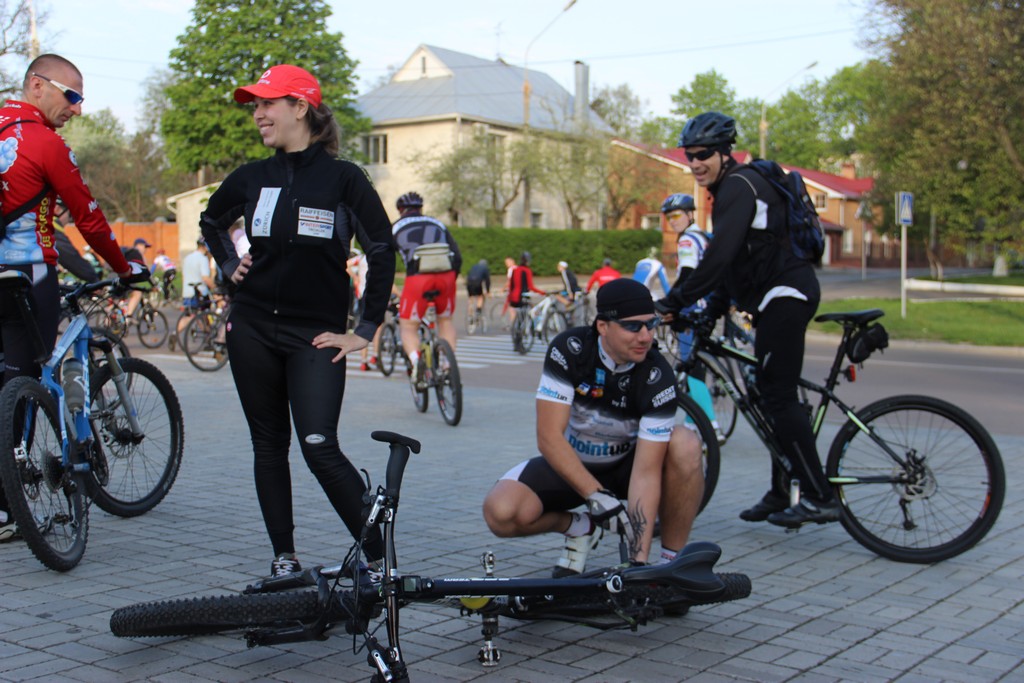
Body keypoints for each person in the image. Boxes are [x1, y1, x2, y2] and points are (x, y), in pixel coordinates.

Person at [198, 64, 397, 578]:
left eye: (268, 103)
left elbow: (382, 247)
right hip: (251, 328)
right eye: (255, 106)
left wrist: (365, 329)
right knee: (268, 446)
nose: (258, 114)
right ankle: (284, 559)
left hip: (316, 334)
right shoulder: (251, 177)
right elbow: (211, 221)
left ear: (301, 107)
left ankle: (380, 563)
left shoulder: (344, 179)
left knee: (319, 446)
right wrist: (228, 264)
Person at [656, 111, 835, 528]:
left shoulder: (739, 186)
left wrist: (673, 302)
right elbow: (736, 264)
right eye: (689, 156)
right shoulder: (731, 190)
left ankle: (819, 495)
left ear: (724, 152)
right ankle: (781, 489)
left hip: (787, 296)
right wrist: (709, 314)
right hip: (772, 299)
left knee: (778, 394)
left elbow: (718, 259)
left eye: (703, 154)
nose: (695, 163)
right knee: (762, 395)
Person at [0, 54, 148, 541]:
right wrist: (123, 268)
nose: (78, 109)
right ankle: (11, 504)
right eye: (72, 96)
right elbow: (88, 218)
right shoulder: (45, 143)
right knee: (25, 379)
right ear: (36, 86)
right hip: (26, 274)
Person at [482, 278, 705, 577]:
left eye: (651, 324)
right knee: (500, 512)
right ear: (603, 326)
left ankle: (670, 565)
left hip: (627, 468)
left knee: (686, 443)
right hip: (573, 466)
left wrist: (637, 564)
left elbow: (646, 472)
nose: (645, 336)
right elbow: (548, 438)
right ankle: (581, 528)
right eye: (632, 327)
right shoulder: (570, 350)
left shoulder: (658, 375)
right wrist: (595, 495)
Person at [661, 193, 721, 441]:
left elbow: (687, 275)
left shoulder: (687, 240)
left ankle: (710, 425)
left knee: (691, 365)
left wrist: (669, 303)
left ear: (690, 214)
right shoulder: (703, 237)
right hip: (707, 307)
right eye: (669, 218)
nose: (673, 221)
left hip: (691, 309)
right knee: (697, 365)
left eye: (676, 215)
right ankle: (692, 421)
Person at [391, 191, 461, 373]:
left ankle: (417, 365)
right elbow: (457, 256)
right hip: (446, 276)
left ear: (400, 210)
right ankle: (447, 364)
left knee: (408, 327)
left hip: (418, 278)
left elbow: (384, 260)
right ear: (421, 209)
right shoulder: (437, 223)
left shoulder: (395, 227)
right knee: (445, 321)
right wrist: (451, 280)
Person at [506, 251, 546, 323]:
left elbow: (511, 285)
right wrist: (543, 292)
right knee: (533, 311)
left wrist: (509, 297)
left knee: (515, 314)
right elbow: (531, 287)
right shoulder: (527, 270)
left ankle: (513, 326)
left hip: (514, 297)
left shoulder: (515, 270)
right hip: (522, 297)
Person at [121, 238, 153, 318]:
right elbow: (146, 272)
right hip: (125, 278)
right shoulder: (137, 254)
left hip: (114, 276)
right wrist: (153, 284)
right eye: (145, 247)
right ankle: (128, 316)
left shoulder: (129, 252)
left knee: (117, 300)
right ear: (139, 245)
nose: (146, 250)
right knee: (137, 293)